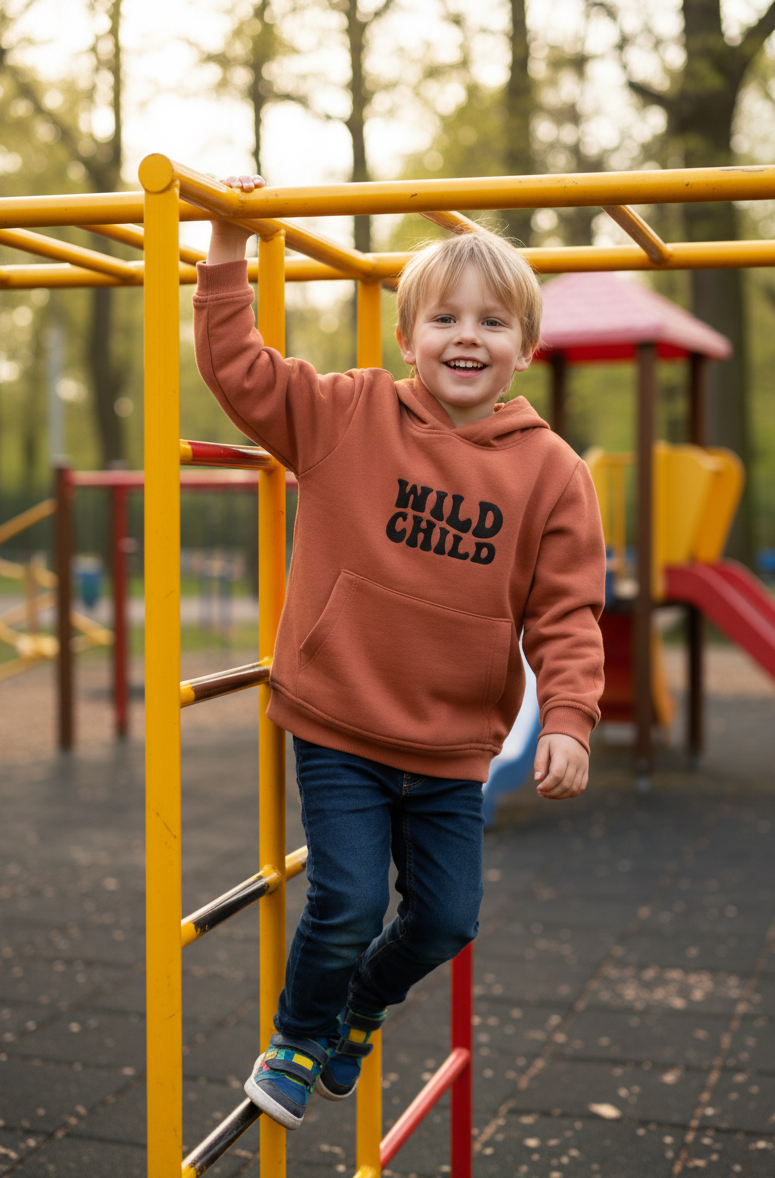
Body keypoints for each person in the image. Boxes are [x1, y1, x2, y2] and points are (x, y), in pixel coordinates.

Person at [193, 173, 605, 1131]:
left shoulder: (552, 472)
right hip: (340, 718)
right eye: (445, 319)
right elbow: (240, 371)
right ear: (406, 336)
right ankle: (297, 1037)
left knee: (446, 919)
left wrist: (573, 720)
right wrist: (225, 246)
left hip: (452, 742)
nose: (468, 337)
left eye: (493, 322)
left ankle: (361, 1008)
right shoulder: (345, 414)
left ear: (525, 349)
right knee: (341, 896)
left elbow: (567, 611)